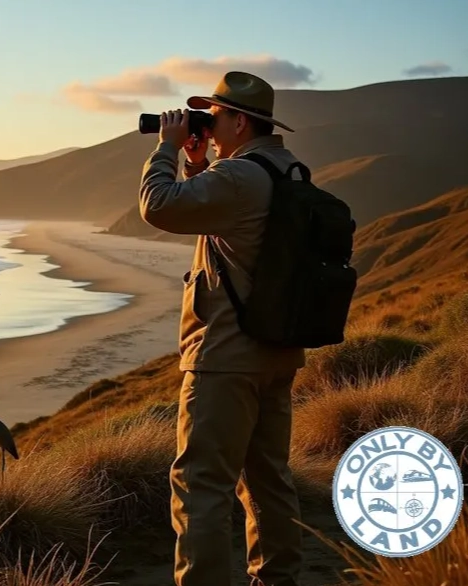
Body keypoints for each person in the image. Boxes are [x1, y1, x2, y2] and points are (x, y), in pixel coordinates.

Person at [138, 71, 306, 586]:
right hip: (276, 351)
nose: (207, 125)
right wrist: (196, 163)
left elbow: (159, 207)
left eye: (214, 116)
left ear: (239, 120)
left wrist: (165, 151)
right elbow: (224, 214)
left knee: (201, 484)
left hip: (226, 358)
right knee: (268, 480)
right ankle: (276, 578)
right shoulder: (287, 170)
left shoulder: (238, 178)